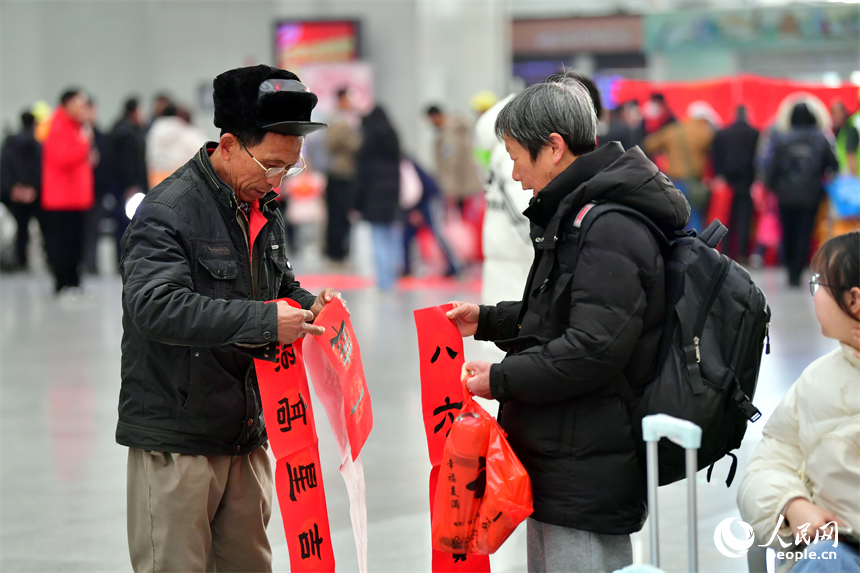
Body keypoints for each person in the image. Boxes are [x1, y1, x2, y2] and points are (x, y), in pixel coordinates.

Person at [446, 75, 690, 572]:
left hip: (587, 459)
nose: (513, 174)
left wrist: (500, 379)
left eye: (516, 156)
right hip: (566, 449)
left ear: (553, 147)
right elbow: (560, 311)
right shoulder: (577, 213)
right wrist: (488, 320)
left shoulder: (609, 225)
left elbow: (594, 348)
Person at [117, 64, 344, 572]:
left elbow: (277, 287)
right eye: (270, 166)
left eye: (290, 168)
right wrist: (266, 322)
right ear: (227, 144)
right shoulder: (167, 211)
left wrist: (308, 305)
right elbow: (154, 307)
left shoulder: (259, 203)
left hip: (245, 433)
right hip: (179, 441)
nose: (278, 182)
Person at [738, 231, 859, 573]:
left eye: (819, 284)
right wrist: (790, 505)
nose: (814, 294)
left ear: (854, 300)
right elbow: (765, 467)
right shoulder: (816, 382)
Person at [765, 102, 839, 287]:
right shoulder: (821, 139)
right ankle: (798, 270)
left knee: (787, 231)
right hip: (811, 195)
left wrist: (773, 187)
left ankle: (790, 270)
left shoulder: (782, 139)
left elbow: (770, 167)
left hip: (785, 195)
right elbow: (833, 165)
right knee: (805, 233)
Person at [474, 93, 532, 304]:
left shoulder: (497, 155)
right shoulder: (510, 154)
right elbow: (523, 208)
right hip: (517, 254)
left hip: (502, 249)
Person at [40, 88, 96, 294]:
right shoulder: (57, 126)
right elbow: (62, 158)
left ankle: (74, 282)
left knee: (76, 244)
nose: (83, 108)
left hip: (77, 198)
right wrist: (84, 145)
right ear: (67, 103)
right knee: (62, 245)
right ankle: (63, 283)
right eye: (79, 104)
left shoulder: (78, 127)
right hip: (61, 198)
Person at [643, 102, 717, 232]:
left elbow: (649, 144)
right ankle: (694, 249)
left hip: (672, 181)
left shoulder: (673, 130)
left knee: (673, 217)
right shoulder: (706, 132)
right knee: (694, 217)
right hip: (693, 183)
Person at [354, 105, 402, 291]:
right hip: (392, 198)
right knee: (392, 239)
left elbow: (362, 180)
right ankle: (392, 279)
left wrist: (357, 203)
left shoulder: (368, 145)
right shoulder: (393, 140)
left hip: (373, 200)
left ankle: (384, 282)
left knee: (378, 240)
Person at [712, 105, 760, 263]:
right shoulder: (755, 134)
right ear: (747, 115)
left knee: (727, 217)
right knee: (744, 219)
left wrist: (719, 174)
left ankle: (725, 251)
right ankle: (742, 254)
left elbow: (715, 156)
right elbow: (758, 159)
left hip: (727, 182)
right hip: (747, 182)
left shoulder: (723, 134)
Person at [108, 98, 149, 264]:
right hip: (129, 189)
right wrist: (131, 185)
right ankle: (126, 259)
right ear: (134, 111)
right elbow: (127, 162)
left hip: (122, 188)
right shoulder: (127, 133)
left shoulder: (120, 129)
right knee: (128, 225)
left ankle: (123, 258)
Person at [0, 111, 42, 271]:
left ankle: (19, 260)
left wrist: (13, 188)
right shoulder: (38, 145)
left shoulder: (10, 143)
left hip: (14, 195)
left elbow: (5, 167)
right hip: (33, 195)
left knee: (19, 230)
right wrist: (32, 188)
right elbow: (40, 169)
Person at [324, 87, 361, 264]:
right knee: (336, 215)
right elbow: (333, 144)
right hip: (339, 173)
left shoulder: (353, 119)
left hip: (351, 173)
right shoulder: (336, 120)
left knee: (347, 215)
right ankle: (335, 251)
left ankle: (343, 251)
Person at [425, 104, 484, 206]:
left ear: (436, 116)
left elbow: (450, 164)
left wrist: (450, 192)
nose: (430, 123)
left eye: (431, 119)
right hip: (465, 187)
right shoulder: (452, 130)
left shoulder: (449, 136)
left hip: (460, 190)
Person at [146, 103, 207, 188]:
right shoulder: (189, 133)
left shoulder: (153, 132)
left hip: (156, 183)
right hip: (183, 184)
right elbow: (206, 156)